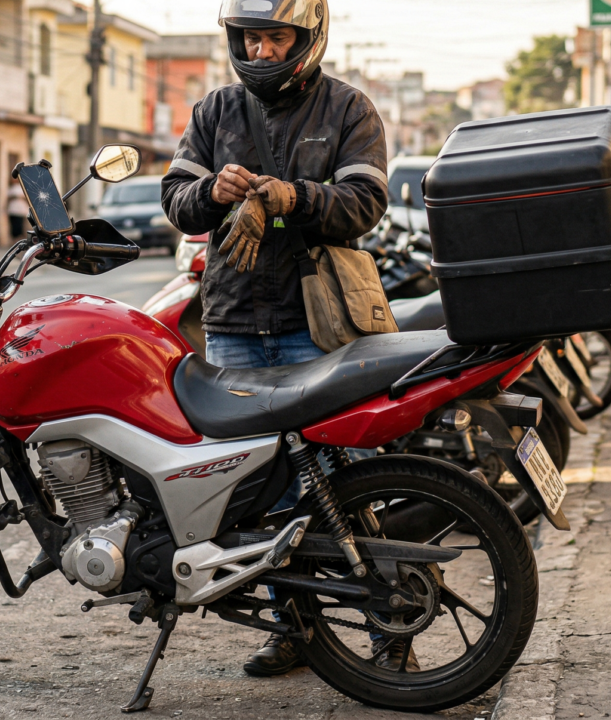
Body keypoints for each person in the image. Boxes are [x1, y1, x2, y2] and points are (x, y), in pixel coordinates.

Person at [161, 0, 394, 675]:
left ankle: (386, 631)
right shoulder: (214, 113)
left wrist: (292, 197)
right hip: (233, 330)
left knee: (342, 487)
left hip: (317, 327)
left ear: (308, 38)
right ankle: (292, 631)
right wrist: (212, 188)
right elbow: (175, 201)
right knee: (258, 498)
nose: (262, 52)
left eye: (275, 38)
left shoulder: (349, 109)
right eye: (252, 39)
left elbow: (365, 204)